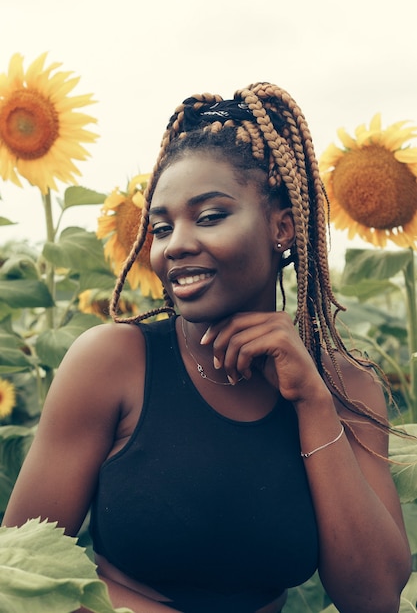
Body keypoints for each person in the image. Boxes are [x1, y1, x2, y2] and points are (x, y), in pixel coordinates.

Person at [2, 82, 412, 613]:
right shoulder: (111, 363)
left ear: (282, 226)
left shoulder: (346, 389)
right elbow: (18, 576)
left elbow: (375, 598)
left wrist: (313, 403)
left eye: (211, 216)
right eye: (162, 227)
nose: (176, 244)